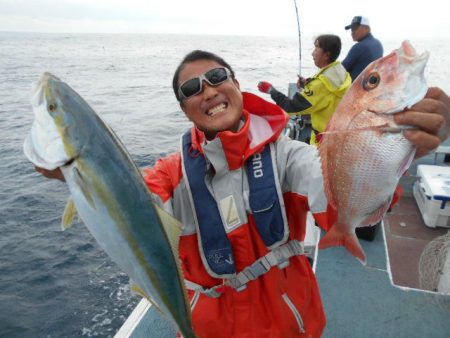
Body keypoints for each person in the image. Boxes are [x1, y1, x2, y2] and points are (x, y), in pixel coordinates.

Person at [34, 50, 450, 338]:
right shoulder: (171, 172)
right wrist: (69, 164)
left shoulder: (288, 155)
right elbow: (132, 200)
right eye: (192, 88)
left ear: (235, 83)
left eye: (217, 77)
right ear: (184, 110)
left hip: (291, 326)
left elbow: (338, 196)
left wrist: (401, 149)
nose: (209, 90)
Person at [258, 34, 352, 145]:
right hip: (338, 136)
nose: (313, 53)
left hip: (323, 144)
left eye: (317, 48)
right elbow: (327, 94)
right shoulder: (340, 71)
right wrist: (307, 84)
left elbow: (292, 106)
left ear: (326, 55)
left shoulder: (321, 84)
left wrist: (271, 90)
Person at [342, 16, 383, 81]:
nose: (352, 32)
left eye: (355, 28)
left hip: (357, 88)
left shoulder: (359, 47)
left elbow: (341, 70)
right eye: (352, 29)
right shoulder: (378, 43)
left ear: (367, 28)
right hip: (371, 86)